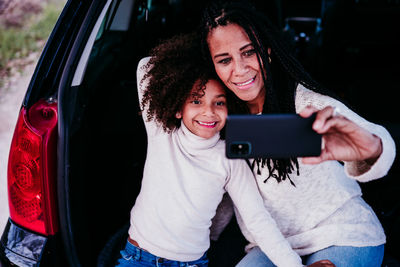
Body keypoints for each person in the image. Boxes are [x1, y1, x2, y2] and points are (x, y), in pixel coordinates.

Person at [199, 1, 396, 266]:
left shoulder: (305, 103)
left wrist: (372, 149)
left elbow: (377, 143)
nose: (240, 68)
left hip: (341, 233)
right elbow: (225, 193)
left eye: (249, 52)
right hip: (271, 245)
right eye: (225, 60)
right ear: (214, 67)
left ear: (267, 52)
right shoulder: (218, 119)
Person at [116, 33, 330, 267]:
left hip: (192, 263)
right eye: (196, 101)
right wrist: (203, 58)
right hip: (138, 257)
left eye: (219, 102)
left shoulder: (230, 158)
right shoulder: (161, 134)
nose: (208, 111)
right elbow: (146, 67)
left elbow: (259, 221)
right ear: (177, 108)